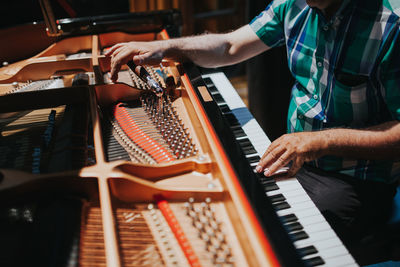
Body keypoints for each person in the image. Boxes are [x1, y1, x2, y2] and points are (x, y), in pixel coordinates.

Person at [107, 0, 400, 264]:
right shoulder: (294, 5)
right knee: (228, 207)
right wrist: (166, 48)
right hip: (294, 160)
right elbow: (229, 47)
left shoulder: (391, 24)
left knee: (271, 242)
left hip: (353, 180)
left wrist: (322, 141)